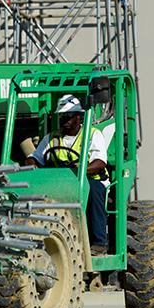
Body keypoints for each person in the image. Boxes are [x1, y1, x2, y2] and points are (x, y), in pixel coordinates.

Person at [25, 94, 109, 253]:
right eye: (62, 116)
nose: (65, 120)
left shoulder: (92, 134)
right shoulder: (51, 138)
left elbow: (99, 163)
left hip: (90, 180)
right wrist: (32, 165)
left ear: (79, 116)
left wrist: (78, 171)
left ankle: (99, 242)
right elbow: (34, 158)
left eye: (69, 116)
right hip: (61, 182)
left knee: (94, 190)